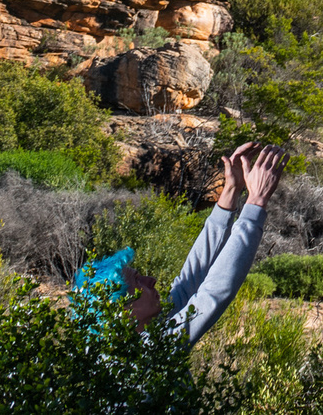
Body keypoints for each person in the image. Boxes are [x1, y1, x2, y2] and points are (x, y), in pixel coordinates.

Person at [72, 142, 285, 343]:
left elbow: (188, 283)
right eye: (138, 282)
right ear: (125, 311)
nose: (152, 280)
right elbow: (212, 295)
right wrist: (255, 203)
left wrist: (231, 189)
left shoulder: (137, 339)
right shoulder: (142, 356)